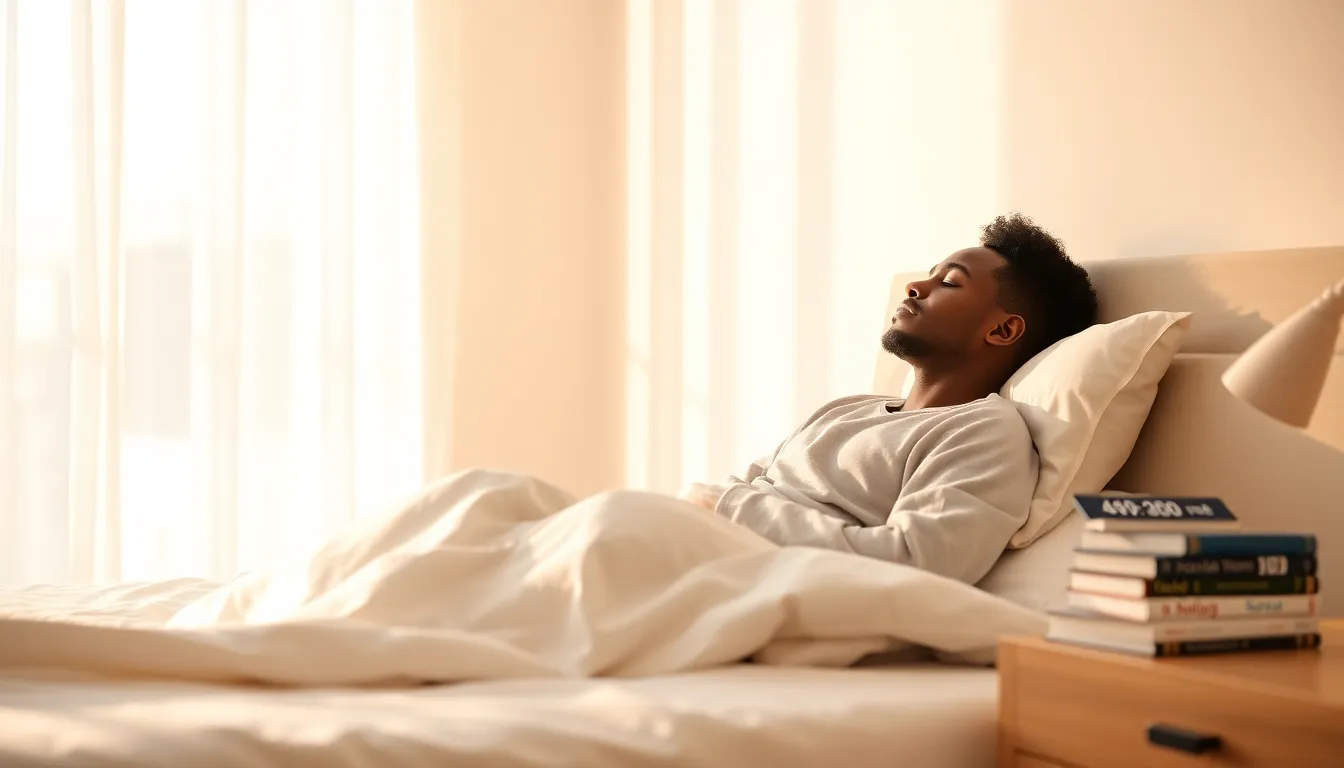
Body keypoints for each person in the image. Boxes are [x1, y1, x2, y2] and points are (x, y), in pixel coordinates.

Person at [680, 213, 1099, 585]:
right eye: (930, 275)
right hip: (701, 551)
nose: (916, 286)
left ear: (1003, 331)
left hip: (759, 578)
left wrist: (733, 509)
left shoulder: (984, 432)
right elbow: (743, 487)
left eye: (950, 282)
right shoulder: (846, 409)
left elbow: (918, 562)